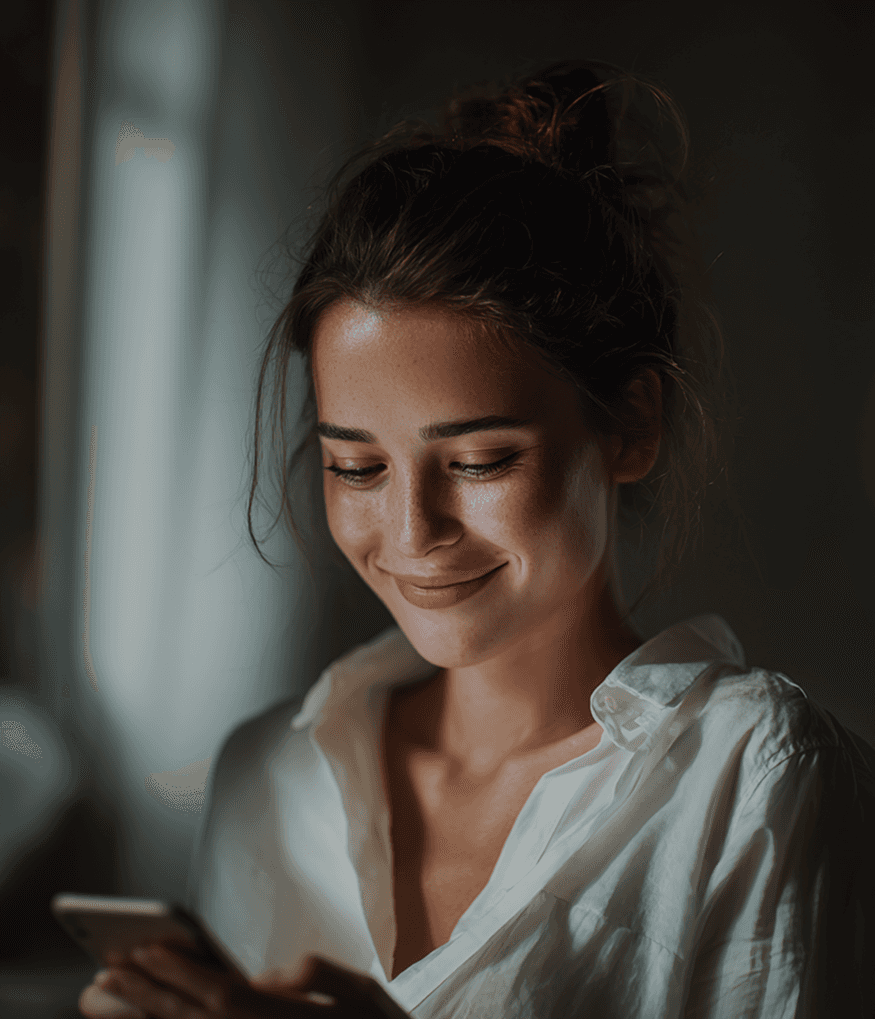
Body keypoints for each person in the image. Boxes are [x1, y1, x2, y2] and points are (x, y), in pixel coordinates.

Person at [80, 60, 875, 1018]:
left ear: (628, 424)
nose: (412, 532)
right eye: (357, 468)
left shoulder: (757, 773)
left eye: (479, 461)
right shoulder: (269, 776)